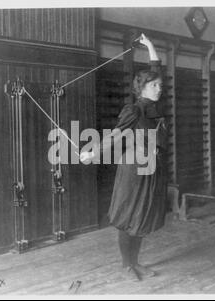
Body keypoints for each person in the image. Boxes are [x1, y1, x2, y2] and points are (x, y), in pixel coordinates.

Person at [80, 34, 167, 281]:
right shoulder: (134, 109)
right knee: (129, 218)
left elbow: (155, 69)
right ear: (142, 87)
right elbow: (115, 136)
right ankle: (127, 265)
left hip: (150, 168)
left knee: (140, 218)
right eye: (155, 85)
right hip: (133, 170)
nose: (159, 89)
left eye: (160, 85)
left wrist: (150, 45)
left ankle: (136, 263)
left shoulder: (155, 107)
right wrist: (92, 153)